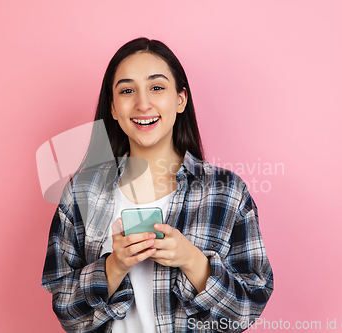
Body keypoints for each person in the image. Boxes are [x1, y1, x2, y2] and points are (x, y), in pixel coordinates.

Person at [41, 37, 273, 333]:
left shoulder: (226, 192)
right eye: (127, 90)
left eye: (157, 87)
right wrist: (113, 266)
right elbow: (67, 314)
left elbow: (248, 308)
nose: (142, 103)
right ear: (113, 108)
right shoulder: (81, 194)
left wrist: (193, 261)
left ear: (180, 99)